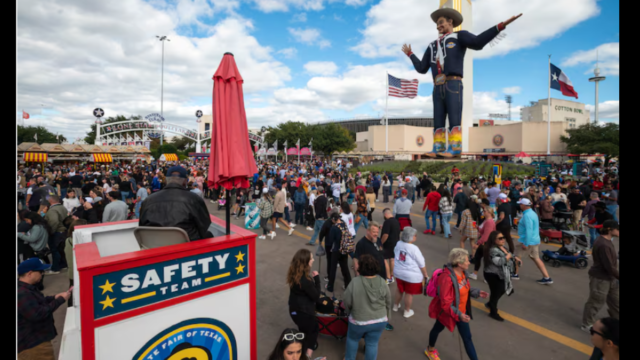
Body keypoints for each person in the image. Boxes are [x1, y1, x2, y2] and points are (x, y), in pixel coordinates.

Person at [403, 6, 521, 158]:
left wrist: (500, 26)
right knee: (438, 119)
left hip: (453, 84)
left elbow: (478, 42)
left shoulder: (459, 36)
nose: (438, 26)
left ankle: (455, 148)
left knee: (454, 118)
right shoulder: (432, 45)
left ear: (450, 22)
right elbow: (421, 68)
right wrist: (411, 54)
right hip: (437, 87)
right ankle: (438, 148)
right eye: (437, 24)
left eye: (441, 23)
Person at [425, 248, 488, 360]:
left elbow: (462, 289)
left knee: (467, 338)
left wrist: (476, 292)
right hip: (448, 312)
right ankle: (430, 349)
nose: (469, 262)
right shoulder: (446, 278)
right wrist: (459, 314)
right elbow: (445, 303)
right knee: (437, 329)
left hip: (460, 313)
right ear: (459, 263)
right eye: (467, 260)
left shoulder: (463, 273)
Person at [139, 166, 213, 241]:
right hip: (186, 248)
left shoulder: (148, 200)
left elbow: (142, 226)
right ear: (185, 181)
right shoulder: (194, 199)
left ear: (166, 181)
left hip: (154, 247)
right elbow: (204, 226)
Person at [18, 258, 71, 360]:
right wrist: (59, 300)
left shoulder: (26, 288)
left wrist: (54, 297)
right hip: (34, 347)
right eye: (40, 271)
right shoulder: (22, 294)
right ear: (30, 274)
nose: (42, 274)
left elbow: (38, 302)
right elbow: (38, 314)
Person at [343, 254, 392, 360]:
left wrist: (349, 312)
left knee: (352, 340)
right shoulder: (382, 282)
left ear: (360, 268)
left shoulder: (355, 282)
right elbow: (388, 301)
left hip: (358, 321)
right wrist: (387, 317)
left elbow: (347, 301)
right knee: (372, 343)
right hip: (380, 320)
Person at [581, 220, 619, 332]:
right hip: (601, 279)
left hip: (610, 278)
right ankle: (587, 324)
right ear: (609, 229)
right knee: (596, 302)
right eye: (617, 229)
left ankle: (616, 322)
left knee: (616, 302)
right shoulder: (603, 244)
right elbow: (609, 267)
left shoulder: (606, 241)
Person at [286, 249, 320, 359]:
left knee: (303, 331)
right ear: (306, 262)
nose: (313, 260)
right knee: (313, 330)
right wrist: (317, 279)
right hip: (304, 313)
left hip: (294, 310)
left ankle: (301, 350)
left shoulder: (294, 274)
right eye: (311, 259)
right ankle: (307, 356)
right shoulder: (305, 281)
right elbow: (316, 296)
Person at [513, 198, 553, 284]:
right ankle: (547, 277)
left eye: (520, 204)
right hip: (535, 240)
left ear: (524, 205)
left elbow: (529, 230)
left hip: (528, 240)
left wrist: (526, 243)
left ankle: (515, 274)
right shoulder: (532, 213)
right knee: (536, 258)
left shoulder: (527, 215)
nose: (519, 205)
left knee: (516, 256)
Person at [483, 231, 520, 321]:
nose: (503, 239)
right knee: (496, 293)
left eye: (503, 237)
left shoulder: (502, 247)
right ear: (494, 240)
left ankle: (490, 304)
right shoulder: (493, 250)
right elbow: (499, 262)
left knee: (503, 289)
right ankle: (493, 312)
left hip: (501, 274)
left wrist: (514, 257)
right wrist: (508, 257)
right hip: (492, 274)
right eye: (500, 238)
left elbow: (509, 254)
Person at [392, 227, 428, 319]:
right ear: (411, 237)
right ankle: (407, 311)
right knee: (409, 293)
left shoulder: (398, 243)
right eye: (415, 235)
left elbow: (395, 253)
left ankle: (395, 306)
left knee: (399, 289)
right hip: (411, 276)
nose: (416, 237)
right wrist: (425, 275)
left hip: (399, 272)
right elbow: (421, 263)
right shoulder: (414, 248)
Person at [326, 212, 353, 293]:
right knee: (345, 268)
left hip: (336, 250)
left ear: (334, 219)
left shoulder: (334, 228)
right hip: (344, 249)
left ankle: (330, 287)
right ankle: (348, 285)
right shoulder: (343, 223)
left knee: (333, 268)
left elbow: (330, 240)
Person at [470, 199, 495, 280]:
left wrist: (478, 243)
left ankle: (480, 275)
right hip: (486, 243)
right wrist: (477, 227)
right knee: (480, 258)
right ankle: (476, 274)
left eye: (484, 211)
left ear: (488, 212)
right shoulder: (487, 221)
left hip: (485, 243)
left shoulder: (489, 222)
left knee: (484, 260)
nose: (483, 212)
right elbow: (483, 231)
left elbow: (486, 235)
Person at [64, 219, 87, 307]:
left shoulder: (68, 240)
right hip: (80, 272)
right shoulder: (83, 243)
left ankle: (71, 307)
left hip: (72, 272)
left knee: (73, 291)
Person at [44, 195, 69, 273]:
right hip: (64, 231)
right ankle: (63, 264)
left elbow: (54, 222)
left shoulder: (52, 210)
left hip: (57, 232)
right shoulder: (63, 208)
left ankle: (55, 268)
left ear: (51, 201)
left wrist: (51, 232)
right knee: (61, 250)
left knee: (55, 250)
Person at [380, 208, 401, 283]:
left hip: (388, 244)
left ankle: (388, 277)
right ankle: (391, 276)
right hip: (395, 243)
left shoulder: (387, 222)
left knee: (384, 259)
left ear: (385, 214)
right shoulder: (396, 221)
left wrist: (380, 243)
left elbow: (385, 235)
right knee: (392, 259)